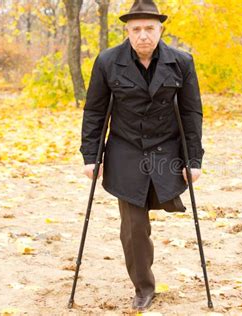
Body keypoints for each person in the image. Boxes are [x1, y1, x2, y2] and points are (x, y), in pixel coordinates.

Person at [79, 0, 205, 311]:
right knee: (134, 225)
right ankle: (144, 287)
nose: (143, 35)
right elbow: (95, 112)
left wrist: (194, 160)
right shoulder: (108, 61)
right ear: (128, 31)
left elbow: (191, 112)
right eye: (136, 29)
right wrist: (91, 155)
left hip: (166, 149)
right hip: (126, 149)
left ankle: (164, 196)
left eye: (150, 28)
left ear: (161, 29)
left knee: (162, 199)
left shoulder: (182, 62)